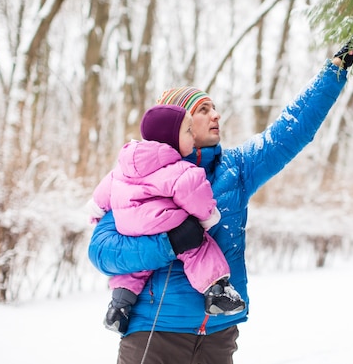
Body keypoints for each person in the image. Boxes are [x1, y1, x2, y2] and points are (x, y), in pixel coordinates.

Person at [89, 41, 353, 364]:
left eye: (214, 107)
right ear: (180, 122)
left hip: (218, 336)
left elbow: (291, 130)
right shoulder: (138, 176)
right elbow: (103, 252)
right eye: (203, 110)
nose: (216, 115)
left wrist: (335, 71)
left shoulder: (236, 170)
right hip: (155, 333)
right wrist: (170, 244)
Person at [88, 104, 245, 334]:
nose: (192, 136)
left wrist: (96, 211)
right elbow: (195, 195)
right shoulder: (180, 169)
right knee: (198, 247)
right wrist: (208, 218)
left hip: (128, 226)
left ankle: (119, 306)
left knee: (136, 269)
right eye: (188, 131)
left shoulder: (123, 165)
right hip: (162, 222)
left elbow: (104, 191)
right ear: (171, 138)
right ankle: (216, 291)